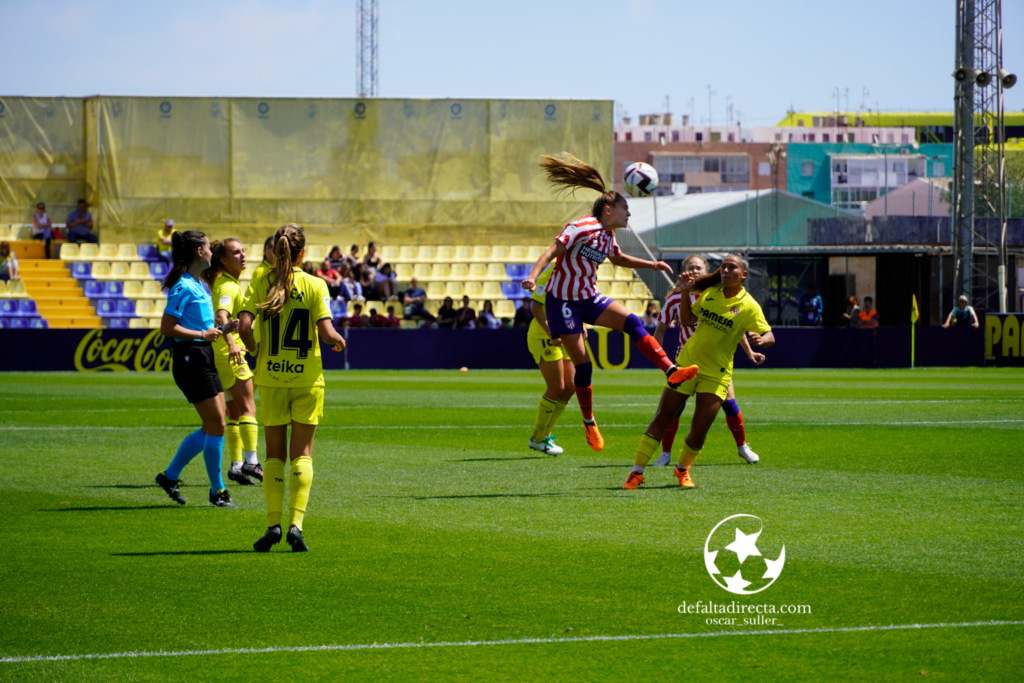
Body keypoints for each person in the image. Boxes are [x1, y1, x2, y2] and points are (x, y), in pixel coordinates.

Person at [522, 152, 697, 452]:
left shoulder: (607, 235)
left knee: (632, 321)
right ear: (607, 210)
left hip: (587, 298)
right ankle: (589, 422)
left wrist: (651, 265)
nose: (628, 213)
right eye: (624, 208)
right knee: (584, 366)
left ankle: (671, 371)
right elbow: (550, 253)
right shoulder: (580, 227)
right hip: (562, 302)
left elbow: (618, 258)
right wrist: (532, 276)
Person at [624, 254, 774, 490]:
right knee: (663, 415)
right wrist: (684, 292)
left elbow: (769, 335)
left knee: (699, 429)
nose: (725, 270)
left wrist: (761, 341)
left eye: (731, 267)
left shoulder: (749, 306)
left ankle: (682, 470)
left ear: (743, 275)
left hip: (716, 373)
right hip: (686, 365)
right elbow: (686, 320)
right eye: (723, 267)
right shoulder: (709, 293)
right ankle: (636, 472)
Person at [239, 223, 345, 553]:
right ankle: (296, 526)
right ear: (303, 253)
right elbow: (326, 333)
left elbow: (244, 326)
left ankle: (272, 524)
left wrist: (256, 350)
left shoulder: (261, 280)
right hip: (306, 379)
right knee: (302, 454)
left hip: (270, 378)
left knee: (273, 455)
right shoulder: (316, 285)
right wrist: (338, 341)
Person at [651, 255, 762, 468]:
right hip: (686, 361)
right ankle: (665, 454)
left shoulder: (719, 294)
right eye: (690, 267)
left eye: (698, 267)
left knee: (730, 405)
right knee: (674, 410)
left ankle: (742, 447)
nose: (694, 271)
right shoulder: (676, 298)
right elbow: (661, 329)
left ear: (707, 270)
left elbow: (735, 330)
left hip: (715, 363)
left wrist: (749, 353)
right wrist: (661, 361)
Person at [153, 230, 237, 508]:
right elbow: (167, 327)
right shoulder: (183, 286)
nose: (212, 252)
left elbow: (203, 327)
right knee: (218, 425)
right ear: (199, 252)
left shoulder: (200, 284)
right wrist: (202, 336)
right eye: (208, 248)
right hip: (191, 359)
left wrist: (224, 329)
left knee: (212, 425)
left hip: (203, 356)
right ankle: (218, 491)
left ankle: (170, 475)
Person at [201, 238, 263, 488]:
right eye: (236, 253)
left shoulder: (226, 282)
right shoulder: (227, 286)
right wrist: (232, 343)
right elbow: (221, 316)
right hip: (231, 355)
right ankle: (252, 461)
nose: (243, 255)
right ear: (224, 260)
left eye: (243, 251)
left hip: (222, 355)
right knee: (249, 407)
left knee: (235, 412)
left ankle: (237, 465)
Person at [526, 264, 577, 456]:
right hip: (544, 335)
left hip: (566, 333)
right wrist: (551, 332)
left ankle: (544, 435)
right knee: (557, 387)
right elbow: (536, 308)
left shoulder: (577, 273)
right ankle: (538, 438)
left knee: (570, 386)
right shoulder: (551, 273)